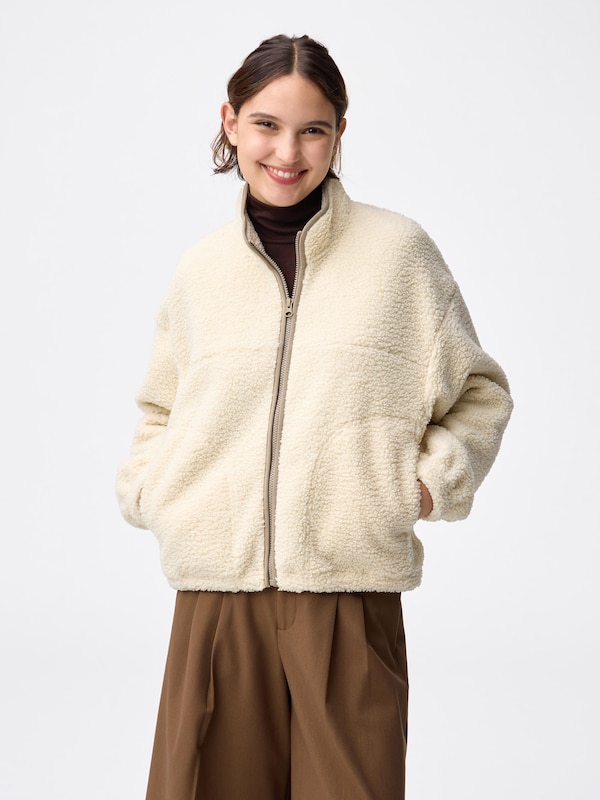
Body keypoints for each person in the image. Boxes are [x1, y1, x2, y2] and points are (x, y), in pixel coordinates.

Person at [116, 33, 513, 800]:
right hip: (215, 602)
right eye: (266, 125)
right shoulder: (200, 272)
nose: (287, 152)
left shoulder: (399, 255)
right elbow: (160, 409)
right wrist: (154, 492)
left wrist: (422, 486)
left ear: (339, 133)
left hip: (347, 595)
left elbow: (481, 391)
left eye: (313, 129)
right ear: (231, 123)